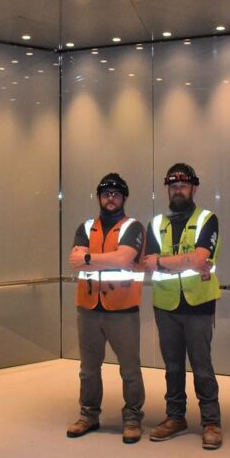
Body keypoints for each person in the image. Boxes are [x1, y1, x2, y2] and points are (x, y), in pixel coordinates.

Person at [143, 163, 223, 450]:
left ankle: (211, 422)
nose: (178, 191)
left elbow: (201, 259)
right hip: (165, 305)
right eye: (173, 186)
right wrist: (185, 261)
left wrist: (163, 263)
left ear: (194, 188)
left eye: (183, 186)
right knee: (172, 366)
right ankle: (175, 417)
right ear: (168, 189)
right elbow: (147, 263)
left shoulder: (207, 219)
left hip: (198, 303)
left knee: (202, 365)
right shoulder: (156, 224)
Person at [66, 173, 147, 444]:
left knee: (130, 369)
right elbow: (75, 262)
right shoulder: (86, 226)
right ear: (99, 197)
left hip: (122, 308)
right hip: (88, 308)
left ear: (124, 197)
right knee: (88, 368)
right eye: (105, 194)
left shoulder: (133, 227)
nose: (110, 198)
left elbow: (125, 259)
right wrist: (103, 260)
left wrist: (90, 258)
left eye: (115, 194)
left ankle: (133, 417)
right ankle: (88, 414)